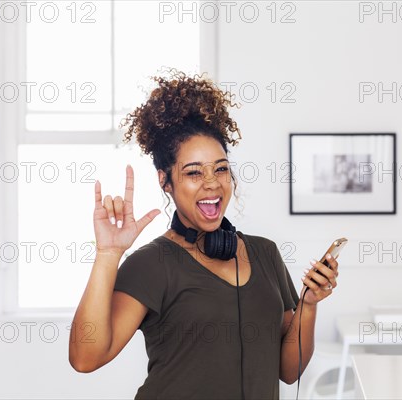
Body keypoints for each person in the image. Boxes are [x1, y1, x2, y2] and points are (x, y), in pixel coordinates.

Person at [68, 70, 340, 399]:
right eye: (193, 172)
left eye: (221, 168)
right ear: (165, 181)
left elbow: (287, 370)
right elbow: (85, 359)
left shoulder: (265, 254)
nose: (212, 183)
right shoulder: (151, 264)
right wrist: (109, 255)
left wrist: (308, 305)